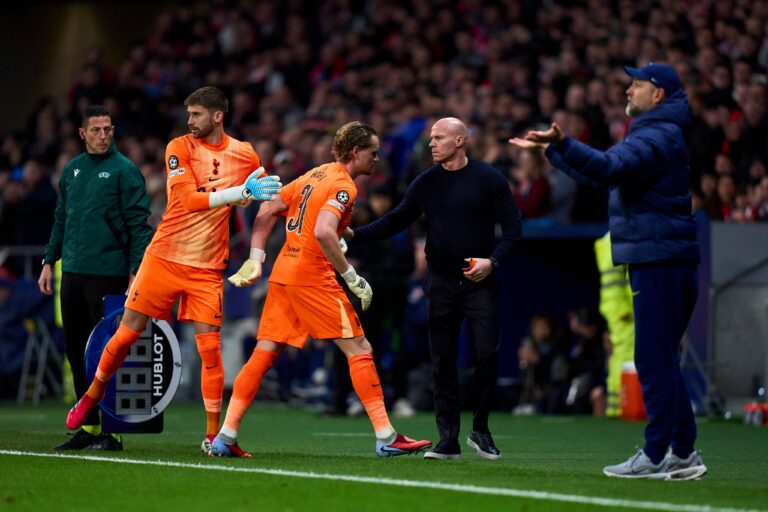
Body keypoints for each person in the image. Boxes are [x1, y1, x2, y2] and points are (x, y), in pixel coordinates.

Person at [510, 63, 707, 480]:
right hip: (664, 257)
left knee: (653, 359)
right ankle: (684, 453)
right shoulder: (656, 132)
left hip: (659, 259)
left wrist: (564, 143)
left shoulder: (657, 133)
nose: (628, 91)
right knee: (662, 359)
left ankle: (655, 455)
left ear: (658, 95)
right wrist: (558, 151)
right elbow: (606, 175)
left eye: (637, 84)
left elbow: (610, 169)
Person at [64, 87, 281, 454]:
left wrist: (256, 253)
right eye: (188, 114)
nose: (189, 121)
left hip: (208, 267)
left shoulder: (245, 154)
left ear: (217, 116)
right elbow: (186, 200)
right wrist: (238, 193)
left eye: (196, 114)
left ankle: (215, 437)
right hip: (164, 257)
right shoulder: (178, 147)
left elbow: (269, 199)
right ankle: (92, 395)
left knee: (210, 350)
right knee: (126, 334)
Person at [209, 121, 431, 458]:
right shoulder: (344, 186)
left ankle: (225, 436)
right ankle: (386, 436)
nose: (377, 158)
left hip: (284, 272)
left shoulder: (315, 174)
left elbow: (268, 209)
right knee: (359, 347)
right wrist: (352, 276)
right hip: (313, 276)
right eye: (372, 152)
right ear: (356, 152)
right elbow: (325, 232)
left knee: (264, 353)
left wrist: (257, 255)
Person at [348, 117, 522, 461]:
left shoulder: (489, 178)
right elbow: (396, 219)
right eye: (430, 138)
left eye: (439, 138)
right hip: (441, 282)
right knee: (441, 361)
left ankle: (481, 429)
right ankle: (448, 441)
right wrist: (355, 235)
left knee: (487, 355)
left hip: (480, 281)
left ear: (460, 141)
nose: (431, 143)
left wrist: (493, 261)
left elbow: (514, 227)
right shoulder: (425, 182)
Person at [38, 105, 153, 451]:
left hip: (108, 274)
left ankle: (112, 431)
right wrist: (48, 261)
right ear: (82, 133)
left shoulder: (125, 170)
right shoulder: (72, 171)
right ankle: (88, 427)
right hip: (71, 271)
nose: (103, 135)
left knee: (107, 352)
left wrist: (137, 269)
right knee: (76, 353)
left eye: (108, 129)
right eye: (97, 130)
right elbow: (61, 219)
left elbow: (138, 224)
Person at [593, 232, 635, 417]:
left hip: (621, 310)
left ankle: (617, 406)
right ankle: (619, 406)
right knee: (625, 357)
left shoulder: (615, 238)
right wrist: (624, 310)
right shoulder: (619, 238)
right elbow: (618, 284)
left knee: (621, 356)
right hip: (624, 312)